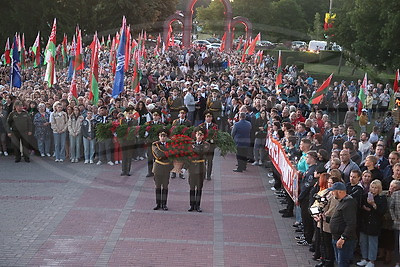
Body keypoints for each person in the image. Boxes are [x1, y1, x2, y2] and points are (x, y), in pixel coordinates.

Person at [357, 180, 387, 267]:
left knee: (372, 243)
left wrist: (373, 204)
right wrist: (364, 208)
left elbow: (381, 211)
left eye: (375, 188)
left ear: (379, 189)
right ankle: (364, 258)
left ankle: (372, 260)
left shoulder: (382, 198)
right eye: (372, 187)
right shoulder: (365, 196)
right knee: (363, 242)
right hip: (364, 222)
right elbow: (361, 207)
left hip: (374, 223)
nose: (373, 190)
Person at [328, 182, 358, 267]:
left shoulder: (349, 204)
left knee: (343, 263)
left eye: (333, 191)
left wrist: (343, 238)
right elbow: (339, 219)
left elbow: (351, 223)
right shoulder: (342, 201)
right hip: (336, 237)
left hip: (344, 240)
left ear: (340, 191)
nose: (332, 193)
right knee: (339, 262)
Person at [188, 127, 210, 212]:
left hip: (201, 168)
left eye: (201, 134)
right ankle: (192, 205)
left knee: (199, 188)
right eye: (198, 134)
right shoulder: (191, 143)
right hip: (192, 167)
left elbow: (202, 152)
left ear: (203, 136)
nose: (199, 136)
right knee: (192, 187)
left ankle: (198, 205)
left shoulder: (206, 144)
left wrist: (194, 148)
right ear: (195, 135)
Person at [152, 128, 173, 211]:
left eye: (164, 136)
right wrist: (168, 153)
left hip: (166, 168)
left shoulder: (170, 144)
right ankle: (158, 203)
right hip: (158, 168)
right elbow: (159, 154)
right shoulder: (155, 144)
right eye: (161, 136)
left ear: (166, 137)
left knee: (165, 186)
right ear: (159, 136)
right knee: (158, 186)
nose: (163, 138)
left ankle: (164, 204)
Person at [199, 110, 218, 180]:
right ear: (205, 117)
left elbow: (216, 135)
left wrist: (213, 140)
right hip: (203, 146)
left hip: (211, 146)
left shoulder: (215, 126)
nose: (208, 118)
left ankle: (209, 175)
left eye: (210, 117)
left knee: (210, 161)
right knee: (203, 161)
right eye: (207, 117)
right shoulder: (201, 126)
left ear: (212, 118)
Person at [144, 109, 164, 177]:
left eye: (156, 115)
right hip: (150, 143)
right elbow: (145, 134)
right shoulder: (149, 124)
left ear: (159, 117)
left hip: (157, 144)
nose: (155, 117)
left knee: (157, 158)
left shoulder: (161, 124)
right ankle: (150, 172)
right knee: (150, 158)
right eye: (154, 115)